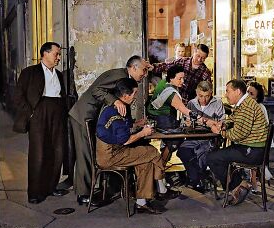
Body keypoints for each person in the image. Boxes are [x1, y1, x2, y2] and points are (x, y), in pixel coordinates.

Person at [68, 55, 152, 205]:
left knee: (92, 153)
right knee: (85, 154)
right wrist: (115, 101)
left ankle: (98, 188)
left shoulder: (125, 77)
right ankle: (83, 195)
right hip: (83, 114)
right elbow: (96, 90)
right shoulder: (119, 75)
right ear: (133, 68)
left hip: (93, 116)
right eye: (143, 70)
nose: (144, 75)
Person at [96, 78, 179, 214]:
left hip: (115, 150)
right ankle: (162, 189)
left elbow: (119, 130)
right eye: (134, 93)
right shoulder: (117, 112)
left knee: (146, 162)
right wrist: (143, 133)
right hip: (110, 155)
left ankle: (142, 203)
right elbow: (125, 140)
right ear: (125, 95)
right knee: (152, 152)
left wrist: (136, 124)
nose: (135, 97)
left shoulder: (118, 107)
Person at [12, 42, 67, 204]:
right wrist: (31, 113)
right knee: (38, 152)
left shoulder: (59, 75)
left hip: (56, 112)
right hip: (38, 113)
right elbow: (18, 96)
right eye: (56, 54)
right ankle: (35, 192)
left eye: (59, 54)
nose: (58, 57)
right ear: (45, 53)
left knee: (57, 151)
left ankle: (51, 187)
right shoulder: (30, 72)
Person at [206, 79, 269, 206]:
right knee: (217, 156)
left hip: (251, 152)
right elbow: (233, 119)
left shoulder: (247, 107)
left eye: (228, 91)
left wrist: (219, 132)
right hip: (249, 148)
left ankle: (239, 186)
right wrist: (222, 124)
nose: (226, 95)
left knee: (213, 158)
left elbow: (238, 135)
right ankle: (235, 186)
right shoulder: (244, 104)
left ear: (238, 91)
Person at [176, 81, 225, 192]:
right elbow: (183, 123)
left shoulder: (217, 103)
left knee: (200, 153)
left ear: (211, 93)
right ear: (196, 93)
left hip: (211, 138)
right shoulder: (191, 104)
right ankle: (197, 177)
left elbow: (221, 123)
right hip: (193, 137)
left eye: (207, 96)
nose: (204, 100)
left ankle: (195, 179)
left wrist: (208, 123)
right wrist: (186, 123)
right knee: (183, 151)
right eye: (201, 96)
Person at [146, 65, 194, 162]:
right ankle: (160, 168)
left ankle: (161, 164)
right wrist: (201, 118)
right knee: (175, 140)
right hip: (161, 118)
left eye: (183, 78)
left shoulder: (164, 82)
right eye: (180, 78)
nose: (183, 81)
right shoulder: (170, 92)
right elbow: (184, 110)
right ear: (171, 78)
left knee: (176, 137)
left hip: (157, 115)